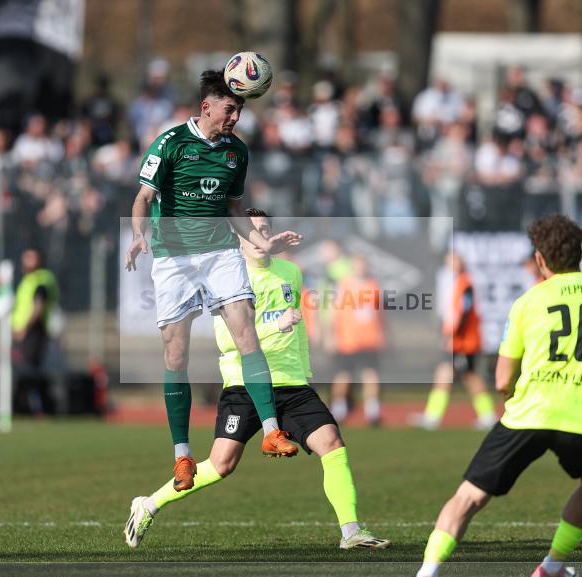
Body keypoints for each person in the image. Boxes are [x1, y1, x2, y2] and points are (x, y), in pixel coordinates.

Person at [403, 215, 582, 577]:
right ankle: (551, 566)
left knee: (468, 496)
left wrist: (514, 398)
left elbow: (501, 380)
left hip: (527, 414)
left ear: (540, 258)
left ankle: (425, 575)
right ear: (579, 253)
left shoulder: (527, 302)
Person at [125, 209, 390, 551]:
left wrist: (302, 370)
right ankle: (148, 505)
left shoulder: (291, 272)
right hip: (244, 386)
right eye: (254, 229)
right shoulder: (227, 278)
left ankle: (351, 532)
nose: (260, 235)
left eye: (265, 229)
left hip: (292, 384)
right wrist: (276, 325)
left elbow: (299, 333)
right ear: (239, 238)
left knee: (332, 444)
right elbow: (228, 339)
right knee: (221, 464)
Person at [124, 70, 302, 493]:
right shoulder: (170, 143)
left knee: (246, 332)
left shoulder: (237, 152)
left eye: (239, 108)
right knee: (176, 355)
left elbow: (234, 208)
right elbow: (144, 197)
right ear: (206, 107)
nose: (236, 116)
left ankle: (273, 431)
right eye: (229, 108)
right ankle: (182, 455)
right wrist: (137, 234)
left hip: (221, 252)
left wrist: (262, 242)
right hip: (174, 257)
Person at [418, 253, 495, 430]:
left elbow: (465, 313)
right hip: (459, 341)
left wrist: (453, 336)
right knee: (451, 375)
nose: (451, 264)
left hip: (462, 342)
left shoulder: (465, 283)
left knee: (468, 377)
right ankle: (433, 416)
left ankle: (486, 414)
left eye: (454, 261)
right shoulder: (457, 283)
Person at [329, 255, 384, 426]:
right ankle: (339, 409)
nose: (361, 267)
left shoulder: (374, 284)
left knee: (370, 374)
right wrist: (331, 335)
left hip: (369, 338)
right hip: (348, 339)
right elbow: (334, 312)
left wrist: (384, 333)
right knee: (344, 374)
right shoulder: (344, 285)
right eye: (358, 264)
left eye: (364, 264)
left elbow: (380, 313)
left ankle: (373, 411)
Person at [11, 248, 60, 414]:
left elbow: (38, 306)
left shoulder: (41, 279)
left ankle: (40, 406)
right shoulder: (28, 280)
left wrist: (25, 328)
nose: (25, 262)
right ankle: (28, 405)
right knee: (26, 369)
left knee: (30, 370)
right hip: (23, 332)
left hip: (33, 331)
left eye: (30, 258)